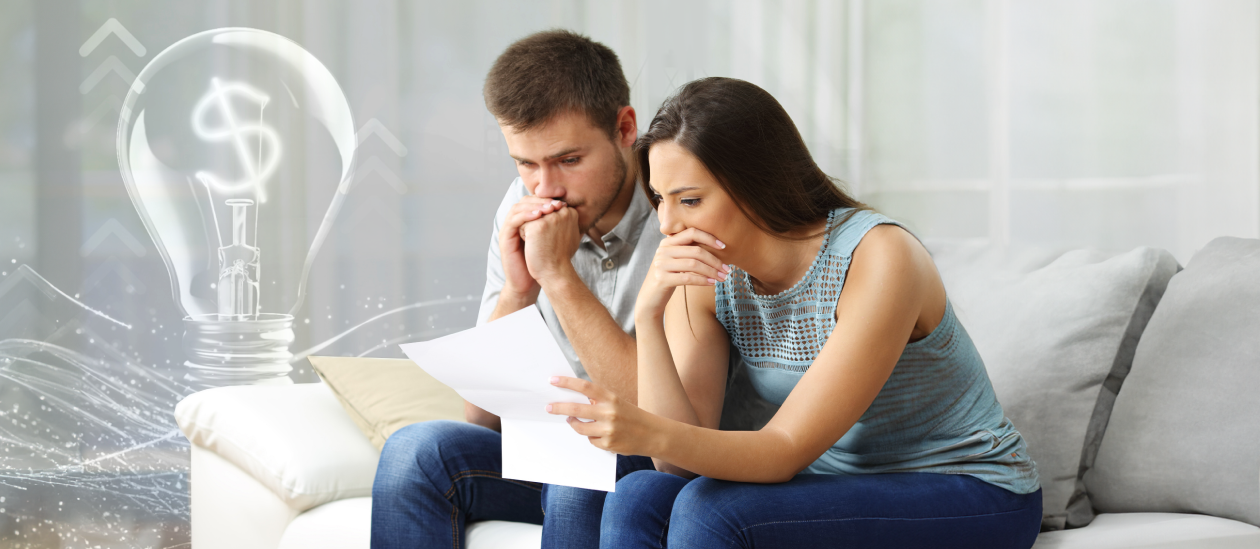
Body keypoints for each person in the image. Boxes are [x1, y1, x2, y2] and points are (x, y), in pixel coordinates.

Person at [543, 77, 1043, 548]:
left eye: (690, 199)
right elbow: (676, 467)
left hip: (969, 488)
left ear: (755, 184)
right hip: (831, 484)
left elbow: (783, 449)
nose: (669, 224)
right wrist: (651, 314)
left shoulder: (879, 256)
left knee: (707, 510)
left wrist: (641, 427)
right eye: (660, 199)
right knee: (638, 494)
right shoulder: (706, 274)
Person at [370, 30, 660, 548]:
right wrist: (519, 292)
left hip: (650, 452)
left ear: (625, 128)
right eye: (525, 163)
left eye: (569, 160)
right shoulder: (519, 206)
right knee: (415, 450)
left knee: (581, 475)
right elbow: (481, 419)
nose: (545, 188)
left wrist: (558, 276)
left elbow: (658, 415)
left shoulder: (681, 205)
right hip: (553, 452)